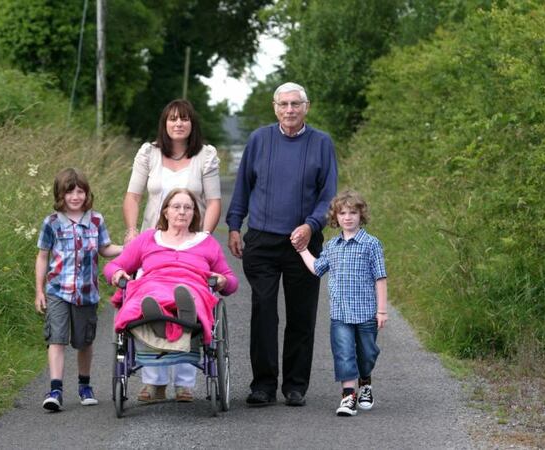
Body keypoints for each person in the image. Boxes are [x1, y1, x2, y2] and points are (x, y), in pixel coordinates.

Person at [226, 82, 338, 407]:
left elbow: (327, 194)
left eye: (296, 104)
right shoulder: (260, 139)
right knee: (263, 311)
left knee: (301, 314)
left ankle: (295, 385)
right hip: (262, 240)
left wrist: (310, 225)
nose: (290, 110)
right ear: (275, 107)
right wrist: (235, 225)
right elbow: (243, 187)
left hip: (304, 241)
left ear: (307, 107)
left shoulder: (321, 143)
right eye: (284, 104)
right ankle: (262, 384)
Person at [122, 99, 222, 403]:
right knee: (150, 300)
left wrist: (202, 237)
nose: (178, 124)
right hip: (153, 243)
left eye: (184, 119)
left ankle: (184, 381)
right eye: (173, 119)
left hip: (189, 240)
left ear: (192, 124)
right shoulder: (148, 153)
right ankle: (154, 381)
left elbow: (214, 201)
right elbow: (132, 196)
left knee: (185, 300)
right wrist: (132, 231)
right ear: (164, 124)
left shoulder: (205, 155)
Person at [106, 189, 237, 401]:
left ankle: (175, 319)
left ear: (195, 214)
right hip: (153, 285)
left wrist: (223, 280)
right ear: (165, 212)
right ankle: (164, 320)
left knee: (187, 296)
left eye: (188, 208)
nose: (182, 212)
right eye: (176, 207)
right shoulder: (148, 238)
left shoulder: (206, 242)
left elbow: (231, 282)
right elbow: (114, 266)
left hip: (191, 285)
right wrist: (117, 273)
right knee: (146, 297)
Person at [35, 168, 122, 412]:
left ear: (86, 193)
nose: (75, 196)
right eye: (69, 191)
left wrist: (129, 247)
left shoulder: (96, 220)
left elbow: (104, 249)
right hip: (57, 290)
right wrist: (39, 291)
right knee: (57, 338)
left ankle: (85, 386)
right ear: (60, 194)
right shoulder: (51, 223)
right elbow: (42, 257)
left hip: (86, 292)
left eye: (80, 191)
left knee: (84, 341)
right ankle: (55, 389)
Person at [297, 190, 388, 416]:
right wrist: (302, 250)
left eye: (353, 213)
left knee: (366, 353)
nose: (348, 217)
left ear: (361, 215)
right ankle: (348, 396)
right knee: (344, 354)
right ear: (335, 217)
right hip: (340, 314)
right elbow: (318, 268)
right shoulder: (332, 246)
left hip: (366, 312)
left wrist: (382, 311)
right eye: (342, 213)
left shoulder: (371, 244)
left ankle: (365, 382)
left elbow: (380, 278)